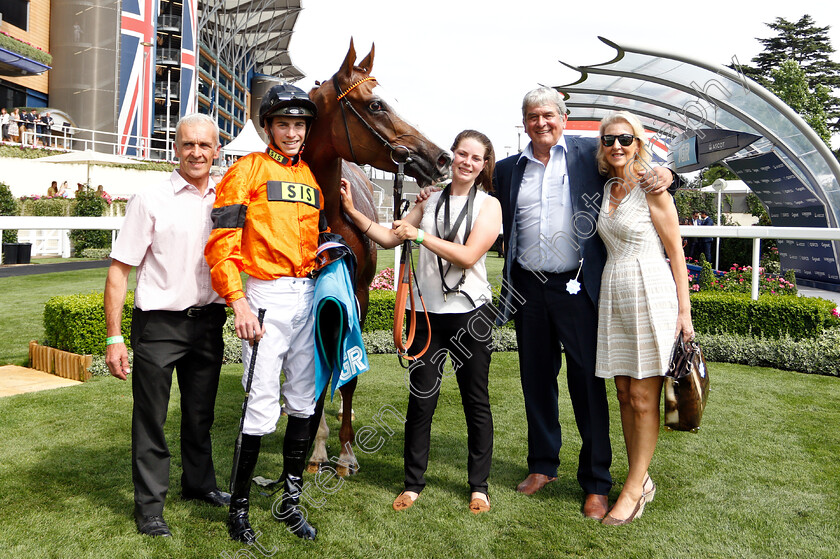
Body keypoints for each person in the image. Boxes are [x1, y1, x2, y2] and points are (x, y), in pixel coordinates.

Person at [492, 87, 674, 520]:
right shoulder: (505, 170)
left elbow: (631, 154)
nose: (542, 122)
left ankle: (596, 482)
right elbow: (468, 186)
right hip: (528, 289)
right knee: (536, 381)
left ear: (563, 118)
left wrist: (671, 174)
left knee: (587, 386)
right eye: (533, 116)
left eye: (549, 114)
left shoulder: (587, 153)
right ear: (524, 122)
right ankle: (543, 466)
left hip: (578, 288)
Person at [342, 129, 502, 515]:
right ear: (454, 155)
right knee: (420, 401)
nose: (466, 162)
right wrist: (350, 210)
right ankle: (413, 484)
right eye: (461, 153)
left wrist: (420, 235)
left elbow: (467, 256)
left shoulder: (489, 205)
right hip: (425, 316)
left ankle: (478, 487)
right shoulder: (429, 199)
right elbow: (387, 238)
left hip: (471, 316)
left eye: (475, 158)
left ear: (483, 166)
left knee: (475, 401)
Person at [205, 83, 326, 543]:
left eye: (299, 125)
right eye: (284, 124)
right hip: (264, 296)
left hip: (307, 297)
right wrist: (237, 300)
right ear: (268, 126)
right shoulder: (246, 170)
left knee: (303, 399)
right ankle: (238, 513)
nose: (292, 133)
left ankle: (290, 505)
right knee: (258, 405)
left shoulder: (312, 177)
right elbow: (222, 243)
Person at [104, 113, 229, 538]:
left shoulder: (227, 198)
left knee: (200, 415)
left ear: (217, 150)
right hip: (159, 325)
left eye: (205, 145)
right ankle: (150, 506)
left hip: (209, 322)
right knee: (151, 419)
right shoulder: (150, 198)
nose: (197, 152)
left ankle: (199, 485)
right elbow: (119, 270)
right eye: (188, 144)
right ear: (175, 148)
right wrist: (115, 337)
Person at [594, 110, 693, 524]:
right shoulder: (607, 188)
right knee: (622, 395)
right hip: (614, 292)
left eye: (625, 138)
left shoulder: (654, 189)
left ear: (637, 142)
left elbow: (677, 254)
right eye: (609, 139)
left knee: (642, 396)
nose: (617, 145)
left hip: (651, 290)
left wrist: (684, 314)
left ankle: (634, 489)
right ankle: (641, 479)